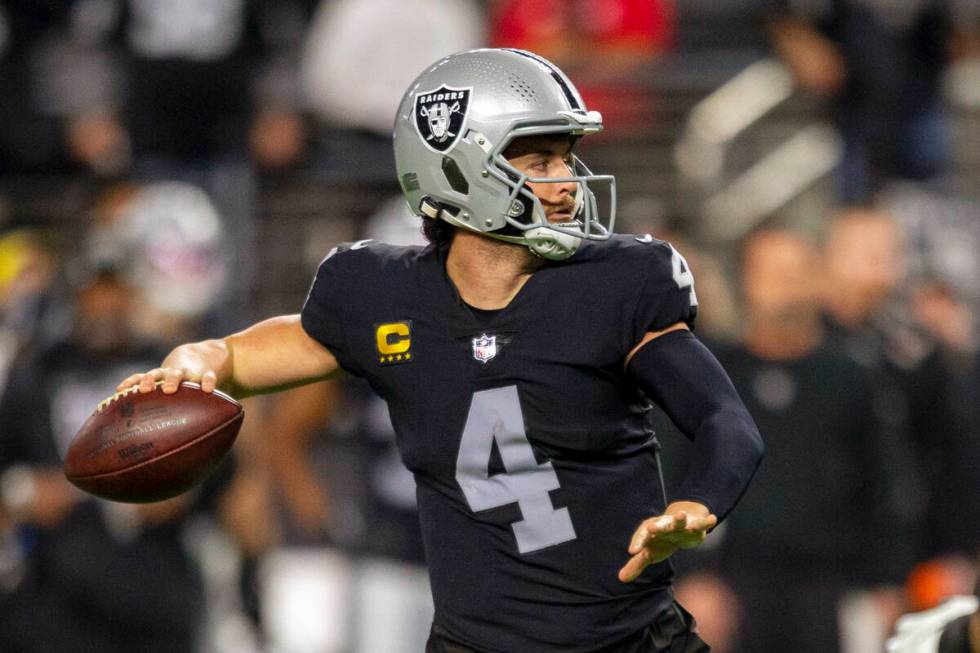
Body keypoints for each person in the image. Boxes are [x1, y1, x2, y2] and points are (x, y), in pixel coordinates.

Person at [117, 49, 764, 653]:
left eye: (566, 158)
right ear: (458, 170)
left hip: (626, 640)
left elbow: (724, 421)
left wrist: (696, 502)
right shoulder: (381, 294)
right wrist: (204, 359)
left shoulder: (615, 287)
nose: (567, 181)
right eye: (539, 162)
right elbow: (277, 347)